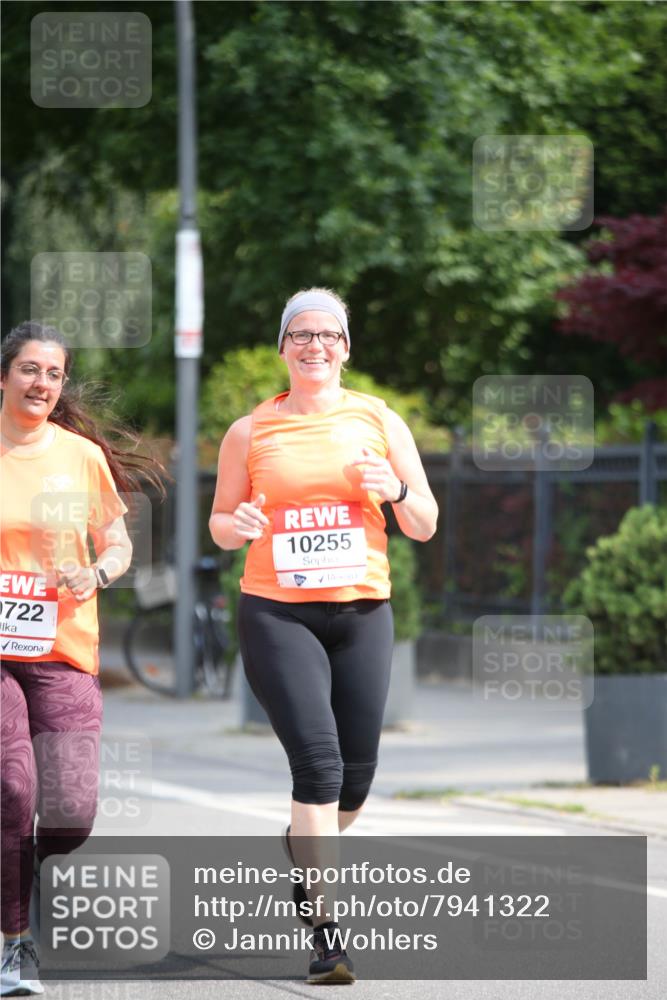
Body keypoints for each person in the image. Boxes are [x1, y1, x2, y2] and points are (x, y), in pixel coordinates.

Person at [209, 288, 438, 983]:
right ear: (283, 347)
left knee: (355, 782)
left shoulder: (378, 419)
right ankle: (326, 933)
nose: (315, 345)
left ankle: (302, 848)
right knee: (317, 766)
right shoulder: (251, 430)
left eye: (328, 334)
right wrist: (238, 525)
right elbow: (220, 523)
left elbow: (425, 522)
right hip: (278, 614)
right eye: (301, 334)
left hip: (362, 612)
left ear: (345, 348)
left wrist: (396, 490)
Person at [0, 321, 162, 997]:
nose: (41, 383)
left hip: (63, 644)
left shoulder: (80, 456)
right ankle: (14, 943)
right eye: (29, 369)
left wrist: (95, 573)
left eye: (54, 374)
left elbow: (118, 543)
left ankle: (14, 872)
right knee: (14, 790)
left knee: (69, 813)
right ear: (4, 376)